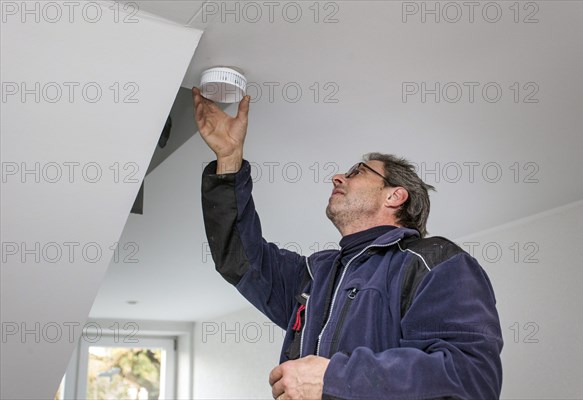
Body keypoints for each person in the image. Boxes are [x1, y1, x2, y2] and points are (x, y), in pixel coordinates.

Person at [193, 87, 503, 400]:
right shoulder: (315, 275)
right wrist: (229, 160)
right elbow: (240, 259)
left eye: (357, 172)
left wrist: (334, 379)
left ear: (394, 195)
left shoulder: (434, 262)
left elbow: (470, 377)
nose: (337, 177)